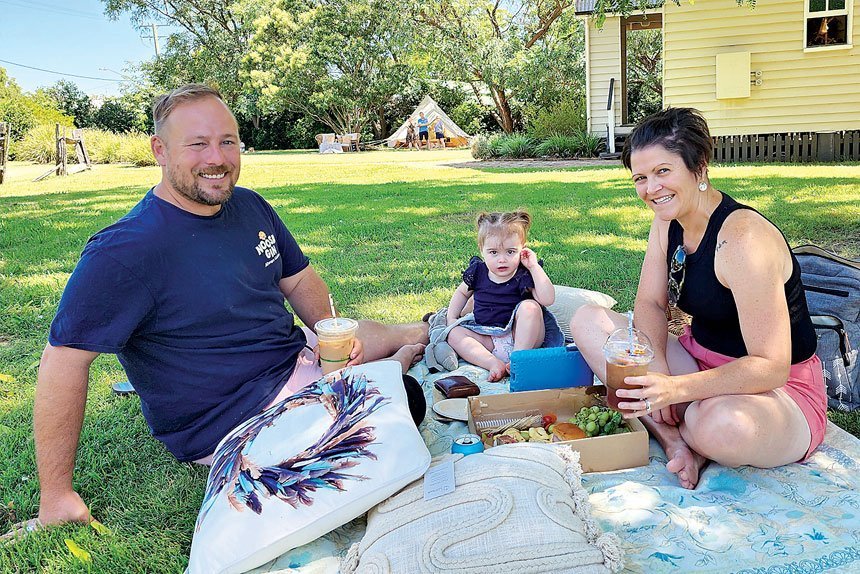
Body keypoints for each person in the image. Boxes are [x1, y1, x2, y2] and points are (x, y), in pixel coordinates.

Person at [27, 84, 428, 532]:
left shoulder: (250, 206)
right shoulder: (125, 250)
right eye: (197, 144)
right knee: (404, 404)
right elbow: (63, 360)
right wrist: (57, 496)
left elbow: (298, 279)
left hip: (296, 363)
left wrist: (327, 332)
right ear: (160, 150)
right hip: (234, 420)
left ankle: (413, 332)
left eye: (228, 141)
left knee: (360, 340)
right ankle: (403, 354)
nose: (216, 158)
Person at [569, 108, 827, 490]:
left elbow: (771, 367)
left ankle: (690, 431)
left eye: (663, 171)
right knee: (588, 321)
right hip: (699, 362)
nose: (651, 188)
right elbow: (650, 305)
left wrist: (673, 390)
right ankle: (675, 440)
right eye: (640, 178)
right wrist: (658, 372)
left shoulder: (742, 239)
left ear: (699, 167)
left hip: (775, 389)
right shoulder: (666, 222)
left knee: (721, 425)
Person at [446, 211, 563, 382]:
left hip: (523, 338)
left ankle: (518, 360)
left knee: (531, 307)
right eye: (493, 252)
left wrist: (534, 267)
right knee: (454, 334)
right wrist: (451, 316)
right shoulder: (478, 271)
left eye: (510, 252)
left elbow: (547, 299)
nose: (502, 259)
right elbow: (462, 292)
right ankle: (493, 363)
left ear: (522, 249)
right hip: (488, 338)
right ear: (482, 250)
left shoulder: (524, 273)